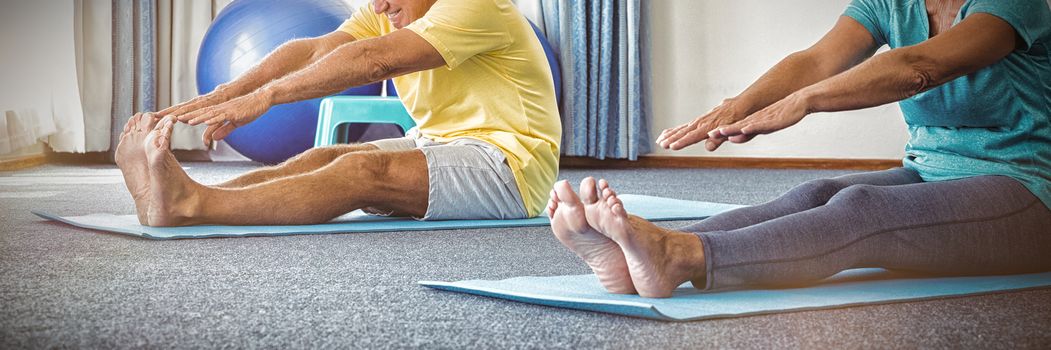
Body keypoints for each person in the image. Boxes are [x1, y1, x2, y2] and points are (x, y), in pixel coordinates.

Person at [549, 0, 1051, 298]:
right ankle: (635, 251)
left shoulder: (1013, 3)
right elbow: (814, 61)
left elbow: (919, 66)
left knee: (862, 210)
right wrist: (739, 105)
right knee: (816, 192)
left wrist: (805, 103)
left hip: (1028, 194)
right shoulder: (890, 3)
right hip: (930, 171)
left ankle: (680, 257)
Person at [115, 0, 561, 227]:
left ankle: (191, 206)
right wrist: (226, 92)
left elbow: (374, 60)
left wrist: (265, 98)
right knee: (321, 157)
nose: (381, 5)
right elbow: (315, 49)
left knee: (363, 169)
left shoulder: (477, 5)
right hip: (442, 143)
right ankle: (181, 192)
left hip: (510, 168)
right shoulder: (388, 10)